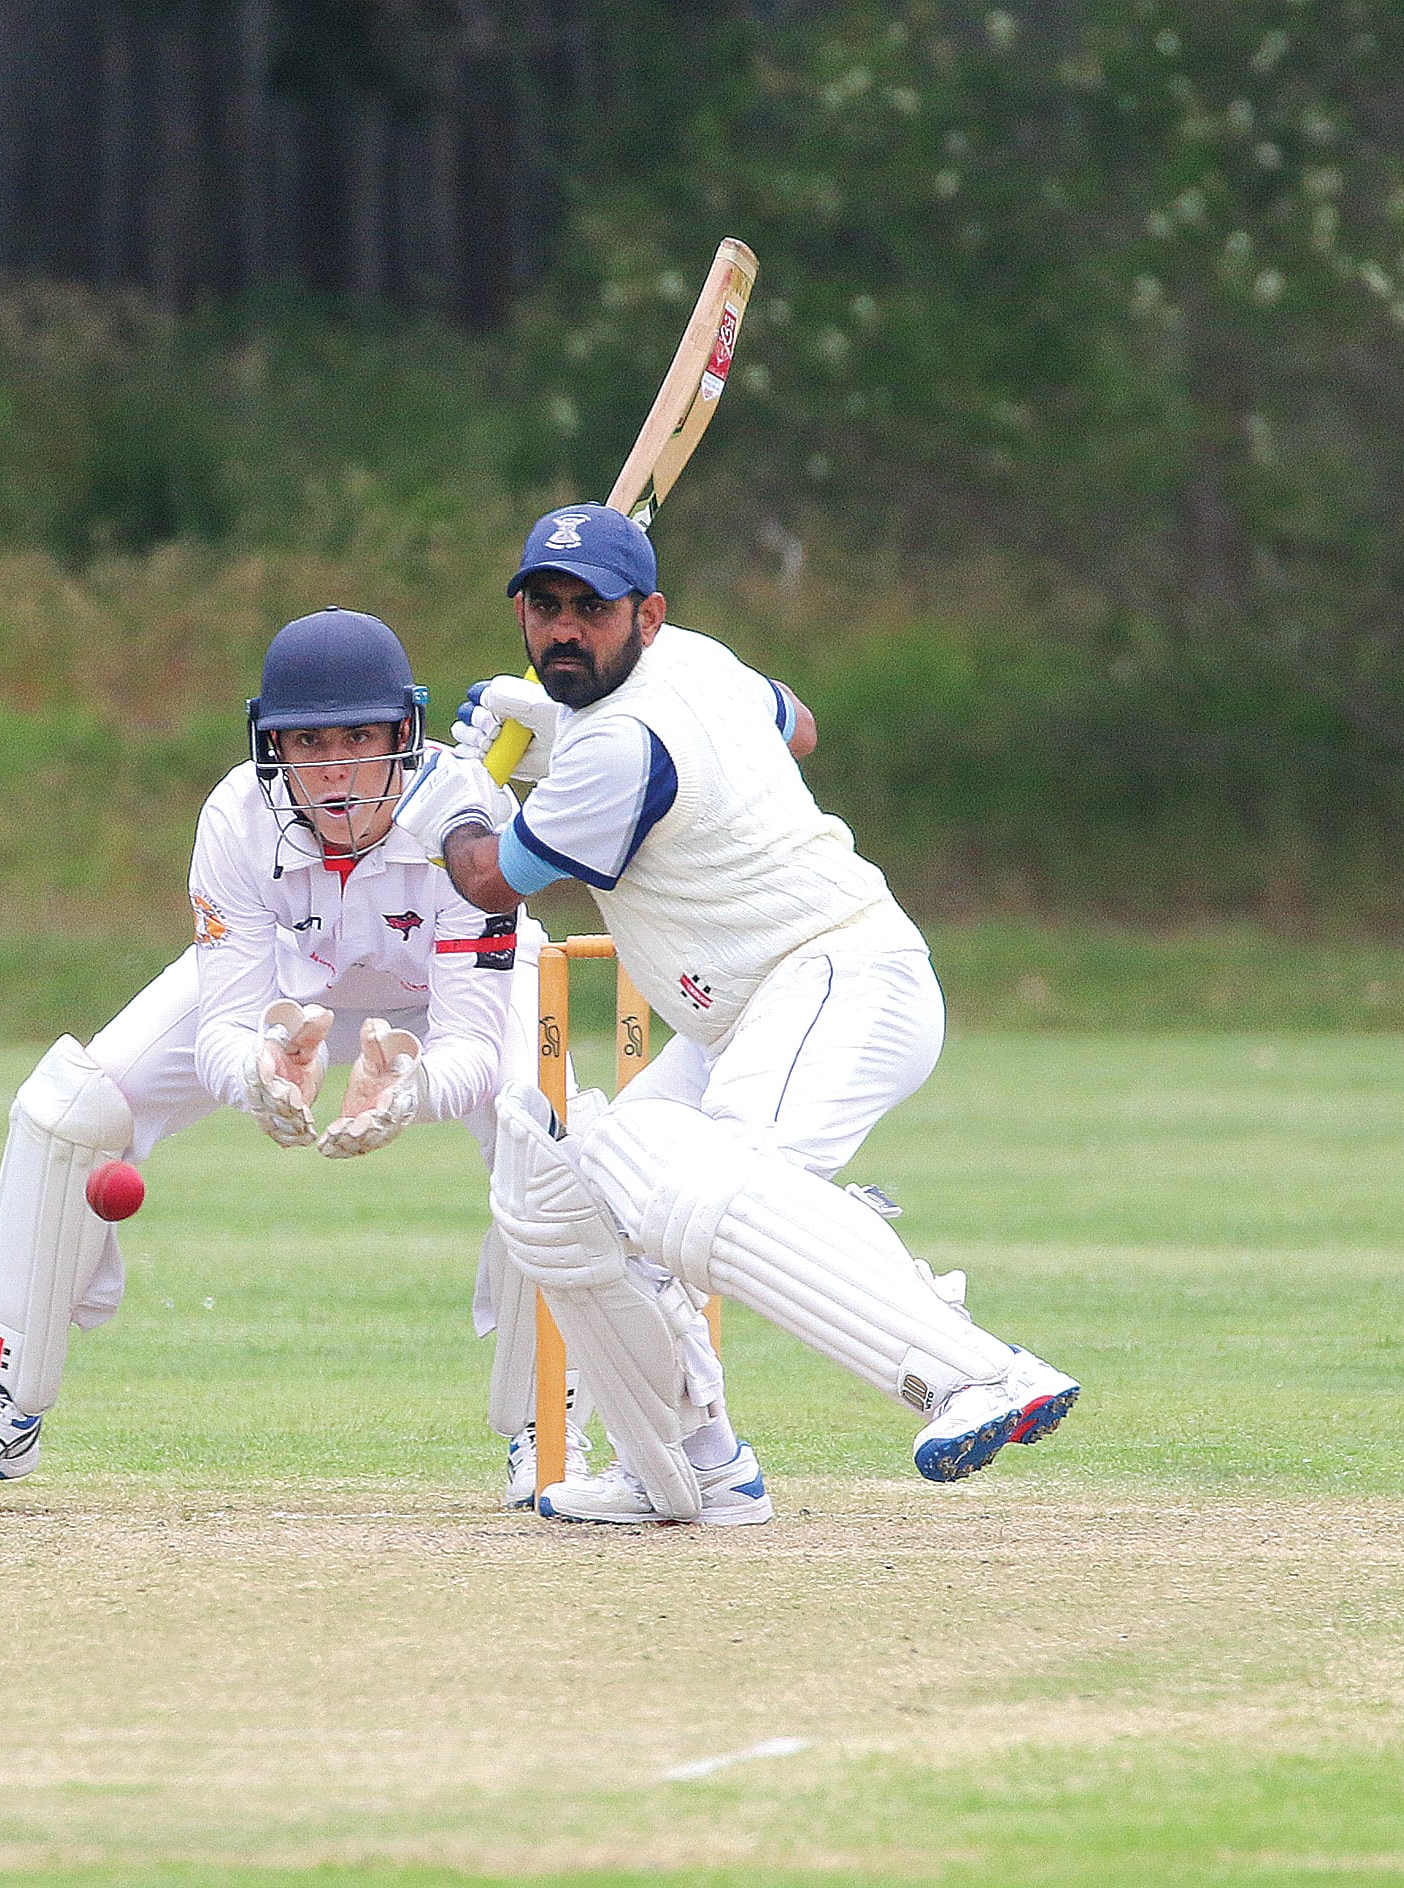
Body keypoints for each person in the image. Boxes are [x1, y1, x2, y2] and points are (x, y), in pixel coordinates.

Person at [393, 503, 1080, 1524]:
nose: (564, 630)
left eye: (593, 608)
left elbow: (490, 881)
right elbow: (796, 722)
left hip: (836, 977)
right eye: (545, 607)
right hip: (737, 1019)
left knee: (695, 1180)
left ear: (648, 614)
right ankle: (687, 1465)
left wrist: (460, 799)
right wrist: (556, 737)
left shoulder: (617, 749)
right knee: (569, 1203)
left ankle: (967, 1366)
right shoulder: (699, 666)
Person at [0, 607, 614, 1509]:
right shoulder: (237, 816)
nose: (338, 769)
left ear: (404, 733)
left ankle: (547, 1430)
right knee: (69, 1108)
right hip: (293, 984)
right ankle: (1, 1399)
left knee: (543, 1134)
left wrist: (412, 1085)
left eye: (360, 737)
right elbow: (224, 1024)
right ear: (271, 749)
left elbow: (471, 1039)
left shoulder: (468, 816)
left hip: (439, 997)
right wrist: (260, 1072)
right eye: (308, 742)